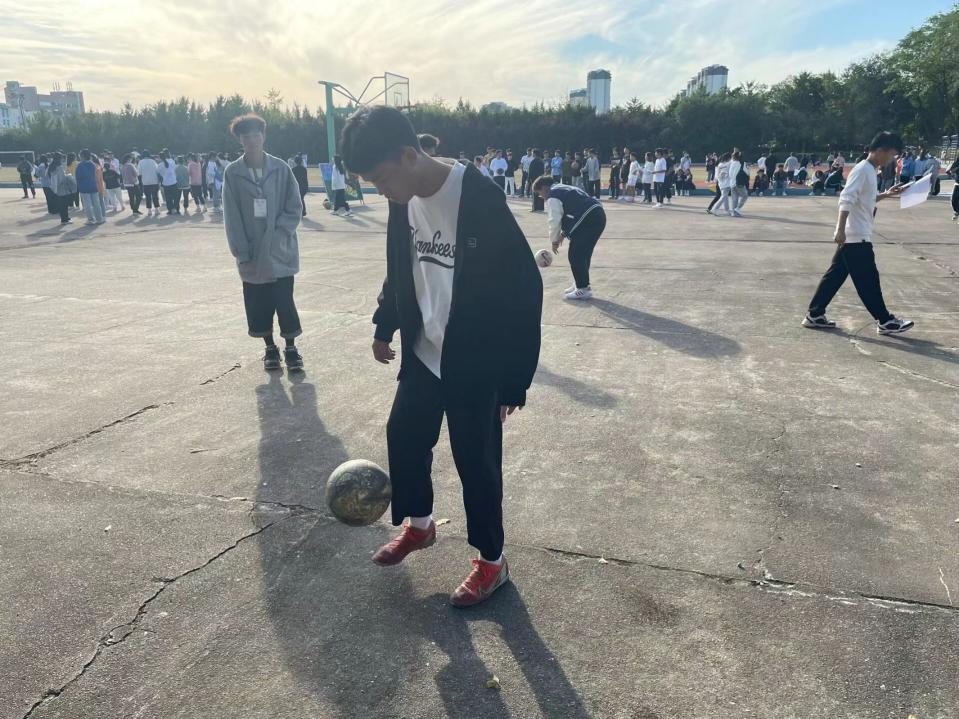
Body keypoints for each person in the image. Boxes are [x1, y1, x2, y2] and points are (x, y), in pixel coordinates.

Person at [341, 105, 542, 607]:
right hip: (424, 350)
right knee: (404, 435)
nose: (381, 191)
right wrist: (385, 324)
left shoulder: (477, 196)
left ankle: (492, 562)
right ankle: (421, 525)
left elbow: (524, 287)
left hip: (475, 359)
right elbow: (399, 265)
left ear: (409, 155)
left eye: (381, 179)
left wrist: (514, 379)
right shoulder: (402, 198)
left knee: (476, 462)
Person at [803, 132, 913, 335]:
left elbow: (865, 199)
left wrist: (886, 194)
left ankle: (814, 314)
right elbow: (846, 198)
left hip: (854, 234)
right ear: (880, 150)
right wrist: (840, 230)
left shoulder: (870, 170)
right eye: (892, 155)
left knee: (834, 277)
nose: (892, 160)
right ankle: (885, 321)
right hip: (855, 235)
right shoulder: (862, 170)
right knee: (868, 280)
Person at [222, 113, 305, 371]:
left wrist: (280, 233)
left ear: (264, 136)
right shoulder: (233, 173)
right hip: (252, 250)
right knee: (259, 303)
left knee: (284, 301)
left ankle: (291, 347)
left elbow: (295, 205)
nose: (252, 140)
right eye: (246, 136)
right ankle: (270, 348)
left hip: (280, 249)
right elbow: (231, 215)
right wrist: (241, 249)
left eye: (256, 135)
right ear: (240, 140)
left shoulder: (280, 168)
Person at [535, 175, 606, 301]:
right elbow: (572, 211)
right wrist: (563, 234)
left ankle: (583, 288)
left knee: (576, 253)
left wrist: (554, 241)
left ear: (545, 188)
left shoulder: (552, 196)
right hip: (596, 215)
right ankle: (580, 282)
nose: (540, 197)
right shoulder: (562, 187)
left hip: (589, 218)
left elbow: (554, 221)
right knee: (583, 253)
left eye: (539, 193)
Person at [75, 149, 105, 225]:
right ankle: (99, 219)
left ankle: (91, 219)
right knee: (96, 203)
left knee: (87, 204)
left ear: (82, 156)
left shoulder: (80, 165)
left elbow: (78, 177)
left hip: (84, 187)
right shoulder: (93, 164)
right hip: (93, 186)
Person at [47, 152, 73, 224]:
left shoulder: (51, 166)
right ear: (59, 159)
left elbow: (49, 176)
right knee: (64, 204)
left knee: (61, 204)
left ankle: (65, 218)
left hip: (55, 188)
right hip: (62, 187)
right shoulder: (59, 167)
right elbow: (62, 178)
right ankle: (64, 219)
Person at [137, 151, 161, 216]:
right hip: (154, 181)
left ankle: (149, 211)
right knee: (155, 196)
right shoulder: (153, 161)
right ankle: (156, 209)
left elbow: (139, 173)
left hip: (145, 182)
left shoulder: (140, 162)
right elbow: (157, 171)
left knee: (148, 197)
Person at [158, 151, 179, 215]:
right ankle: (177, 209)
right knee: (175, 196)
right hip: (173, 181)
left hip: (166, 183)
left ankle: (170, 210)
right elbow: (175, 169)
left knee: (168, 198)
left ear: (160, 158)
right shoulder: (172, 161)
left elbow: (159, 173)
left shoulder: (160, 165)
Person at [730, 151, 749, 217]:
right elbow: (747, 173)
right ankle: (737, 209)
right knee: (745, 196)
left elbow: (730, 174)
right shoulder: (743, 163)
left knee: (734, 199)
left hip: (732, 183)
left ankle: (733, 213)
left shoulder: (732, 163)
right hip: (739, 183)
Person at [948, 155, 959, 221]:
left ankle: (957, 213)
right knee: (954, 200)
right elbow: (951, 171)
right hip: (957, 184)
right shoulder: (956, 163)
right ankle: (956, 211)